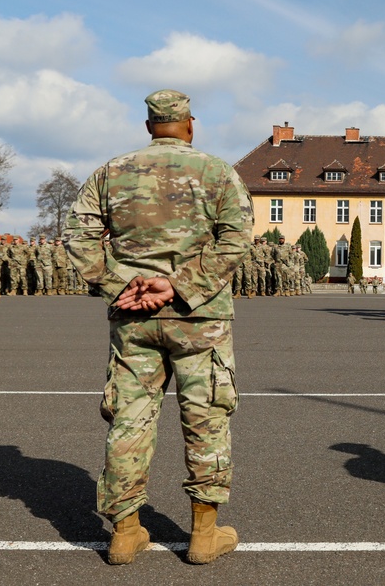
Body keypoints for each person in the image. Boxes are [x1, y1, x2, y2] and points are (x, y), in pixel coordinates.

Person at [63, 89, 253, 566]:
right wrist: (180, 285)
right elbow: (237, 238)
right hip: (199, 319)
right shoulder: (216, 171)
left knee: (129, 420)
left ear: (149, 125)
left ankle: (125, 534)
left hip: (134, 319)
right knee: (206, 418)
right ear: (190, 124)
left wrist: (118, 285)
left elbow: (79, 237)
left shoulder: (111, 172)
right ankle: (204, 537)